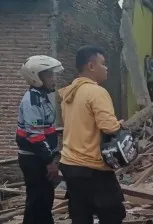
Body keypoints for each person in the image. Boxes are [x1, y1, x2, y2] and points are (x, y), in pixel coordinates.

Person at [58, 45, 125, 224]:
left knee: (81, 215)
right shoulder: (96, 92)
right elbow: (109, 127)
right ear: (91, 66)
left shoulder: (69, 93)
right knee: (113, 214)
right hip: (92, 167)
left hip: (69, 164)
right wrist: (119, 124)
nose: (106, 68)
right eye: (103, 63)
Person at [16, 55, 64, 224]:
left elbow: (47, 130)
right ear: (36, 77)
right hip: (33, 159)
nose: (54, 79)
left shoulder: (42, 98)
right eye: (49, 76)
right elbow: (35, 135)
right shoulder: (33, 101)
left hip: (41, 158)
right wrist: (49, 161)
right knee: (37, 202)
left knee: (44, 201)